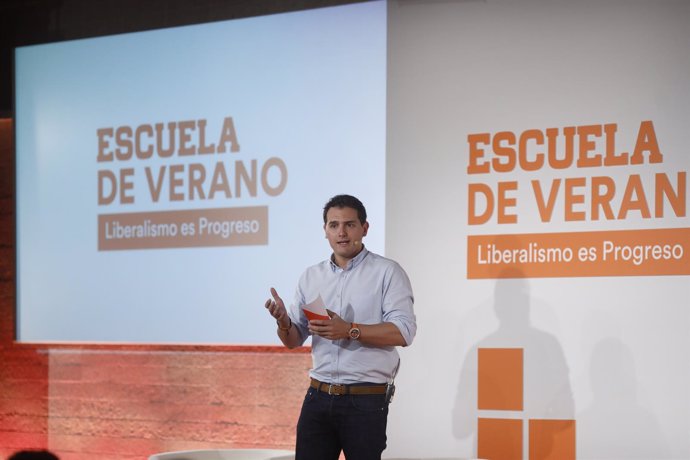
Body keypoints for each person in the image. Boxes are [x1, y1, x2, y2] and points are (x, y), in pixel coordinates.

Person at [265, 194, 416, 460]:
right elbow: (293, 339)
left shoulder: (387, 272)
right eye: (334, 225)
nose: (342, 232)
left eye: (349, 224)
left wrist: (349, 330)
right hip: (317, 397)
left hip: (365, 400)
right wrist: (283, 322)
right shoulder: (311, 276)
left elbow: (403, 332)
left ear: (365, 228)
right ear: (325, 230)